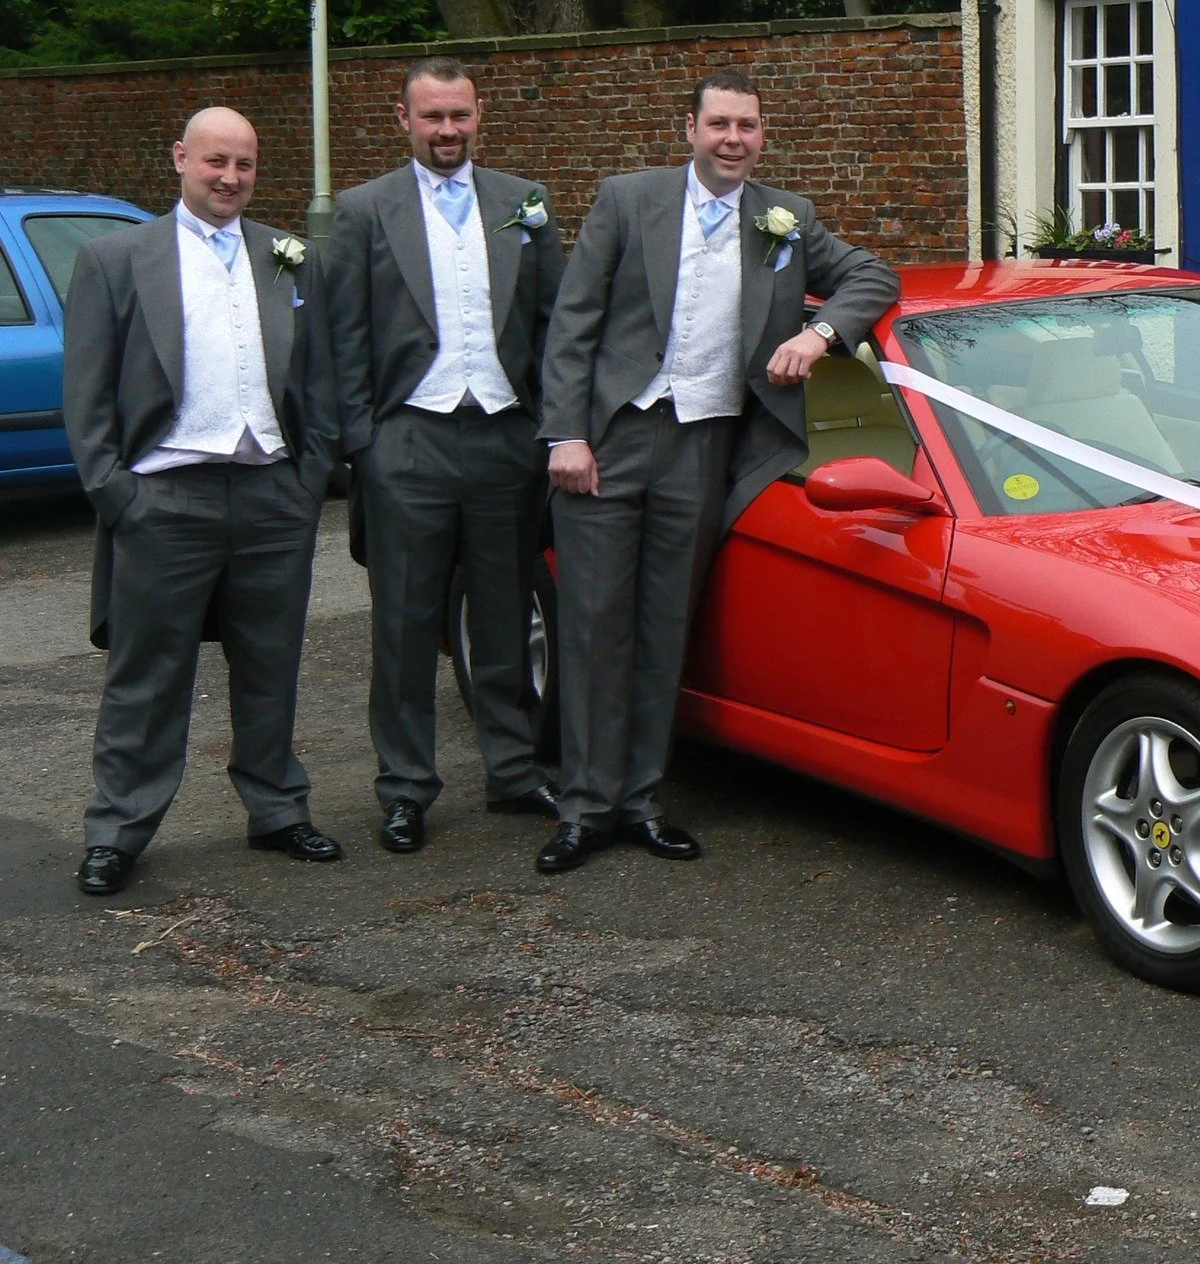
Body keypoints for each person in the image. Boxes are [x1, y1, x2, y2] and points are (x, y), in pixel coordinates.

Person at [536, 67, 900, 874]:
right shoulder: (628, 201)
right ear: (691, 131)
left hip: (707, 446)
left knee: (667, 625)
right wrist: (566, 434)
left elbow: (872, 276)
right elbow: (572, 325)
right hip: (611, 438)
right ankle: (585, 807)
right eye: (720, 125)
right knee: (595, 624)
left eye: (748, 126)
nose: (734, 139)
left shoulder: (785, 218)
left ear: (762, 135)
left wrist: (822, 336)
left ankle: (639, 800)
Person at [63, 107, 342, 896]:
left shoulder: (289, 255)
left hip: (271, 495)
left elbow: (320, 378)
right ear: (181, 158)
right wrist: (120, 496)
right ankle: (118, 827)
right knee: (146, 675)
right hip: (164, 497)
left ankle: (278, 809)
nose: (229, 178)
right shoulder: (116, 259)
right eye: (215, 161)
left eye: (244, 165)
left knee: (272, 663)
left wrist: (307, 479)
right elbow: (85, 399)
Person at [326, 58, 567, 854]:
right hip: (409, 442)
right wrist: (367, 447)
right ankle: (405, 788)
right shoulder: (364, 210)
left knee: (502, 613)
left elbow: (551, 324)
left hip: (505, 437)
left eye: (459, 116)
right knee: (402, 626)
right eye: (432, 117)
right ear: (403, 119)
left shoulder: (524, 201)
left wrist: (548, 426)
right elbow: (344, 338)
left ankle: (511, 770)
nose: (447, 131)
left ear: (479, 113)